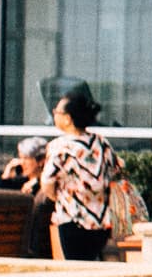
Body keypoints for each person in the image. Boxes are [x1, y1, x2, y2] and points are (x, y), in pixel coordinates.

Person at [38, 86, 122, 261]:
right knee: (92, 264)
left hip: (73, 218)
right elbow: (116, 170)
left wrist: (60, 197)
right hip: (101, 220)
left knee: (76, 267)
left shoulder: (60, 147)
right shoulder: (101, 142)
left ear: (68, 118)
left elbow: (47, 183)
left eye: (57, 111)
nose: (54, 114)